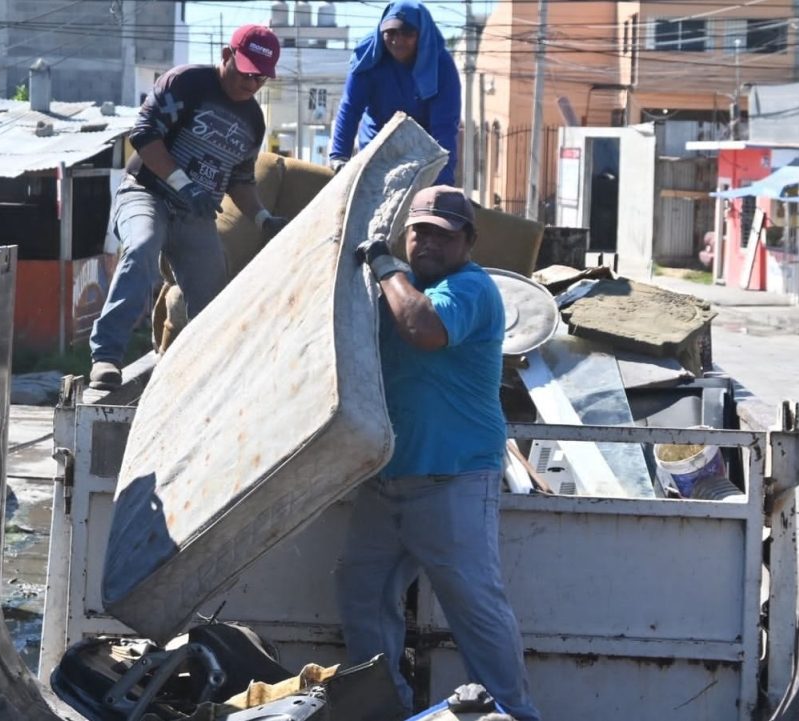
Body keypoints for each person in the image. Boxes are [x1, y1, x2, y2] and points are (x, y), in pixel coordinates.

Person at [336, 186, 541, 721]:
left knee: (475, 609)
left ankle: (514, 714)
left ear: (467, 241)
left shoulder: (469, 288)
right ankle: (387, 710)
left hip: (453, 481)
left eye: (442, 234)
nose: (427, 241)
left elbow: (423, 328)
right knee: (363, 598)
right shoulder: (392, 288)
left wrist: (383, 264)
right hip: (385, 480)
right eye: (419, 230)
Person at [89, 24, 289, 390]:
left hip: (195, 215)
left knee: (213, 292)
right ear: (227, 56)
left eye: (261, 77)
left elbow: (240, 180)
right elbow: (144, 136)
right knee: (142, 247)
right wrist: (184, 184)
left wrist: (263, 219)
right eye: (246, 71)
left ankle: (208, 377)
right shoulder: (187, 83)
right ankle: (106, 355)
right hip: (147, 193)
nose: (252, 82)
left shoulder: (253, 121)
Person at [329, 0, 461, 186]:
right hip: (376, 146)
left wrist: (442, 183)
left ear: (421, 35)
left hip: (422, 153)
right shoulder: (368, 55)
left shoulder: (441, 65)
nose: (397, 40)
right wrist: (339, 157)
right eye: (390, 32)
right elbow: (350, 109)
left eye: (407, 33)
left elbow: (445, 127)